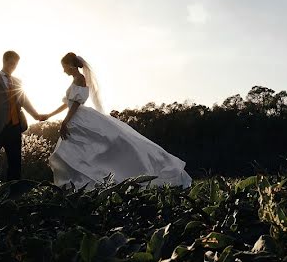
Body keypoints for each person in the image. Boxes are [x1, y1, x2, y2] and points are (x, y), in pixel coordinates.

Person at [42, 52, 191, 189]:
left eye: (64, 67)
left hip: (78, 117)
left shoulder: (80, 79)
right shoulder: (74, 79)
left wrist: (65, 122)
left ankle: (91, 182)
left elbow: (76, 103)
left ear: (70, 65)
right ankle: (78, 185)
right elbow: (68, 102)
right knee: (73, 154)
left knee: (87, 150)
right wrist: (49, 115)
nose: (63, 70)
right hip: (74, 117)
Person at [0, 50, 42, 183]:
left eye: (15, 64)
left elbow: (25, 101)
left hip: (15, 127)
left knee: (15, 164)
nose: (13, 66)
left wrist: (36, 115)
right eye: (11, 63)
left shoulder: (18, 81)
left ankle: (13, 195)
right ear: (4, 61)